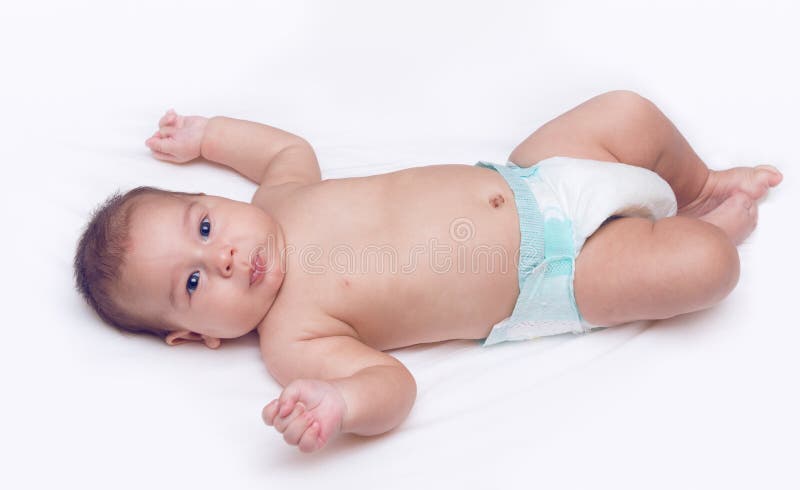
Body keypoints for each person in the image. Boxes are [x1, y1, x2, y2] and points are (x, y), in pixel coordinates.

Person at [73, 90, 782, 453]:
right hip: (553, 275)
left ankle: (701, 182)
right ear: (196, 338)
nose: (221, 256)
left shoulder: (280, 196)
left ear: (220, 200)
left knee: (629, 111)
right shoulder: (294, 342)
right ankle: (703, 228)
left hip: (533, 174)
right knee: (708, 267)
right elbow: (393, 385)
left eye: (204, 225)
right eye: (194, 284)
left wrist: (208, 133)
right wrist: (341, 406)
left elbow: (285, 147)